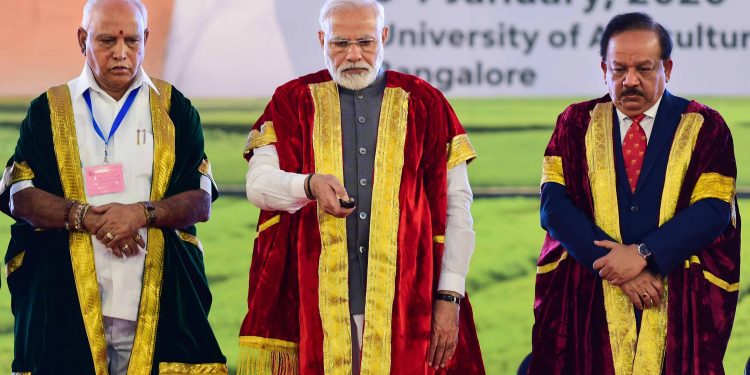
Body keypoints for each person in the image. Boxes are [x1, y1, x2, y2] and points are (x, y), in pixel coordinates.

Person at [238, 0, 486, 373]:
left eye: (365, 42)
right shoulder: (292, 101)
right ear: (322, 40)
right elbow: (258, 184)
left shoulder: (424, 102)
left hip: (409, 303)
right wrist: (308, 184)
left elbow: (457, 206)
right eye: (340, 44)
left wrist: (449, 294)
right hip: (313, 304)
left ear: (384, 37)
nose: (353, 55)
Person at [0, 0, 227, 373]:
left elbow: (200, 201)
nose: (121, 53)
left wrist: (140, 214)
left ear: (146, 39)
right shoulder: (49, 109)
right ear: (82, 39)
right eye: (107, 40)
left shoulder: (174, 109)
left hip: (159, 300)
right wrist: (86, 217)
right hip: (64, 302)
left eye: (132, 40)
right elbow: (20, 195)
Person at [530, 12, 740, 374]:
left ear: (667, 68)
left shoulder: (705, 126)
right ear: (603, 69)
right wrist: (619, 268)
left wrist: (645, 254)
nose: (630, 81)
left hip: (675, 297)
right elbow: (554, 206)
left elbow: (713, 210)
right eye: (618, 70)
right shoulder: (576, 123)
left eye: (644, 69)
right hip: (590, 297)